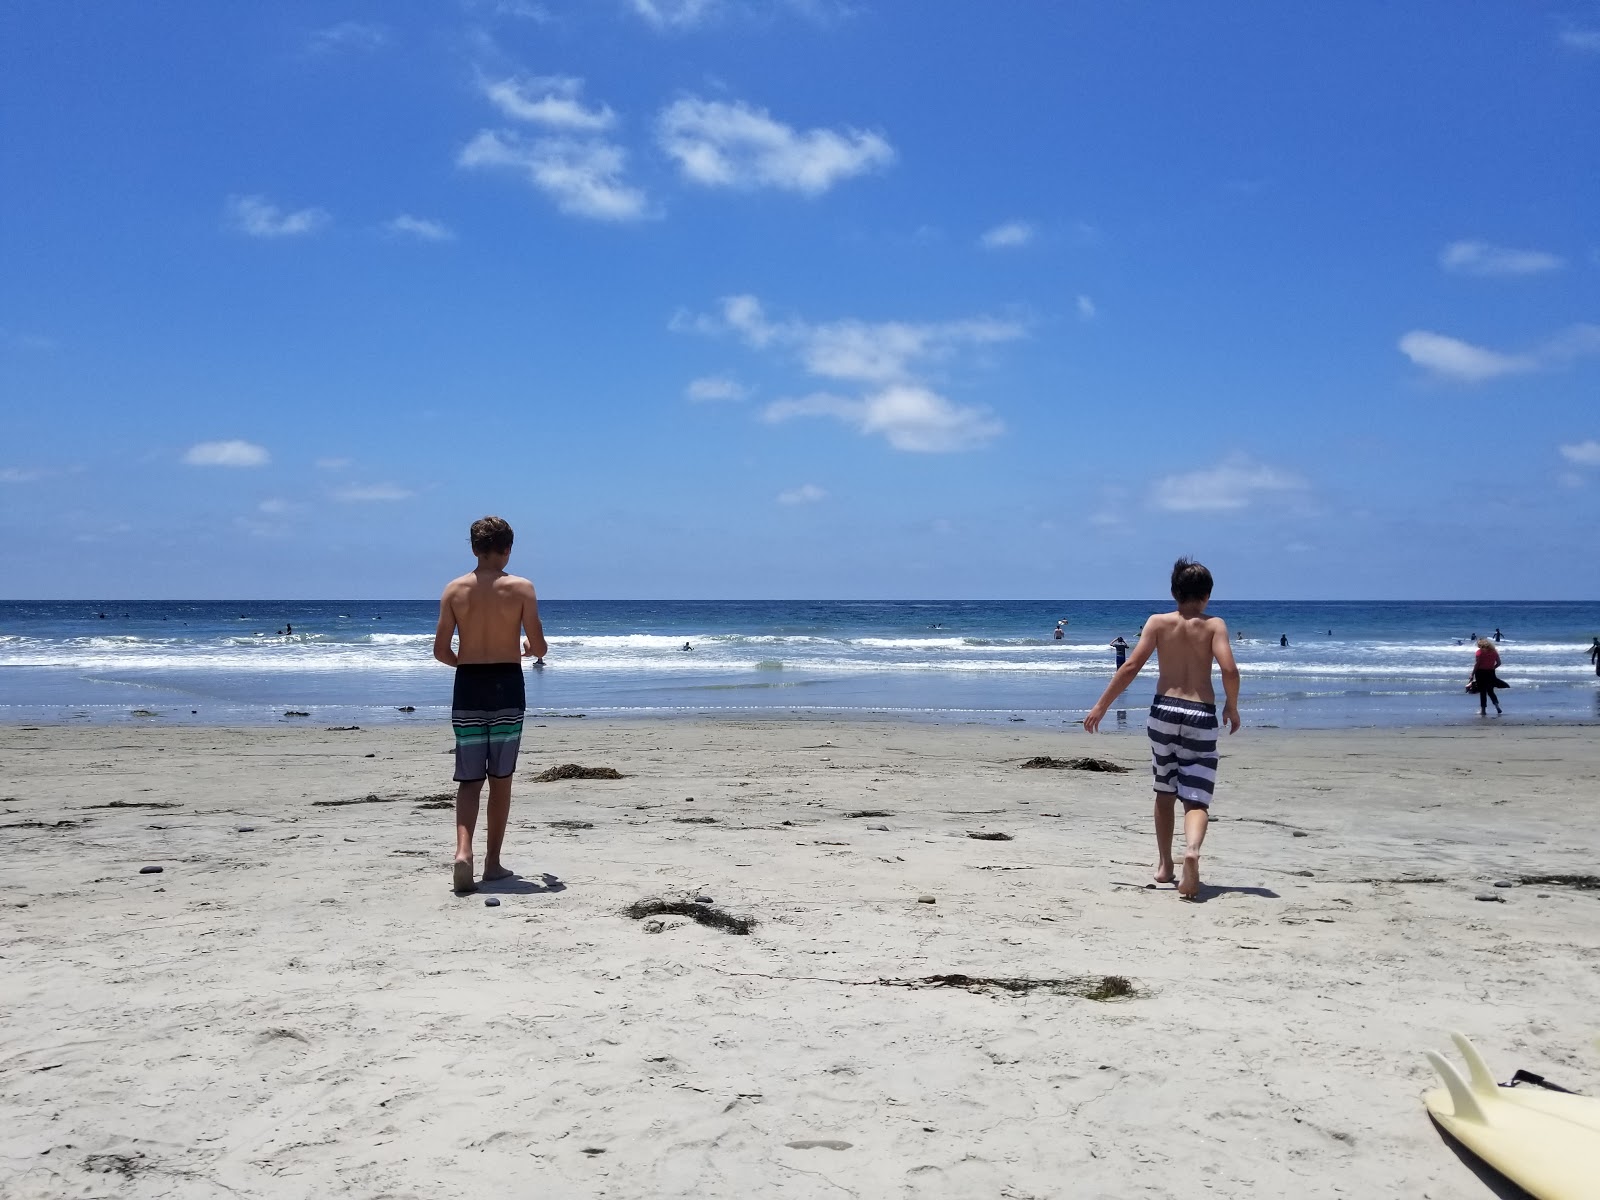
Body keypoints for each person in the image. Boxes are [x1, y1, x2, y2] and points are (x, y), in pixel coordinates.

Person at [1084, 558, 1241, 900]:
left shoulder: (1157, 622)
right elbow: (1229, 669)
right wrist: (1231, 705)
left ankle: (1165, 866)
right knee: (1196, 796)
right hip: (1200, 712)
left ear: (1173, 592)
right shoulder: (1215, 626)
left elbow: (1130, 666)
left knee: (1164, 790)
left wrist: (1101, 706)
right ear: (1208, 595)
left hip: (1164, 711)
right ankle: (1193, 851)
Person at [433, 515, 547, 894]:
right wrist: (530, 650)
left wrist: (466, 662)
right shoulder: (521, 588)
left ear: (473, 548)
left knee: (468, 778)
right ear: (508, 549)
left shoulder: (454, 590)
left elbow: (440, 651)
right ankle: (492, 863)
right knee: (501, 779)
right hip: (506, 687)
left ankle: (462, 852)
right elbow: (539, 646)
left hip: (468, 686)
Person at [1469, 637, 1505, 716]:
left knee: (1483, 692)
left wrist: (1472, 674)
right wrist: (1492, 668)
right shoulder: (1494, 651)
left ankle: (1483, 711)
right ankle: (1497, 706)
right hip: (1490, 673)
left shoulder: (1479, 652)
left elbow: (1477, 664)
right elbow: (1499, 663)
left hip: (1480, 673)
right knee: (1490, 691)